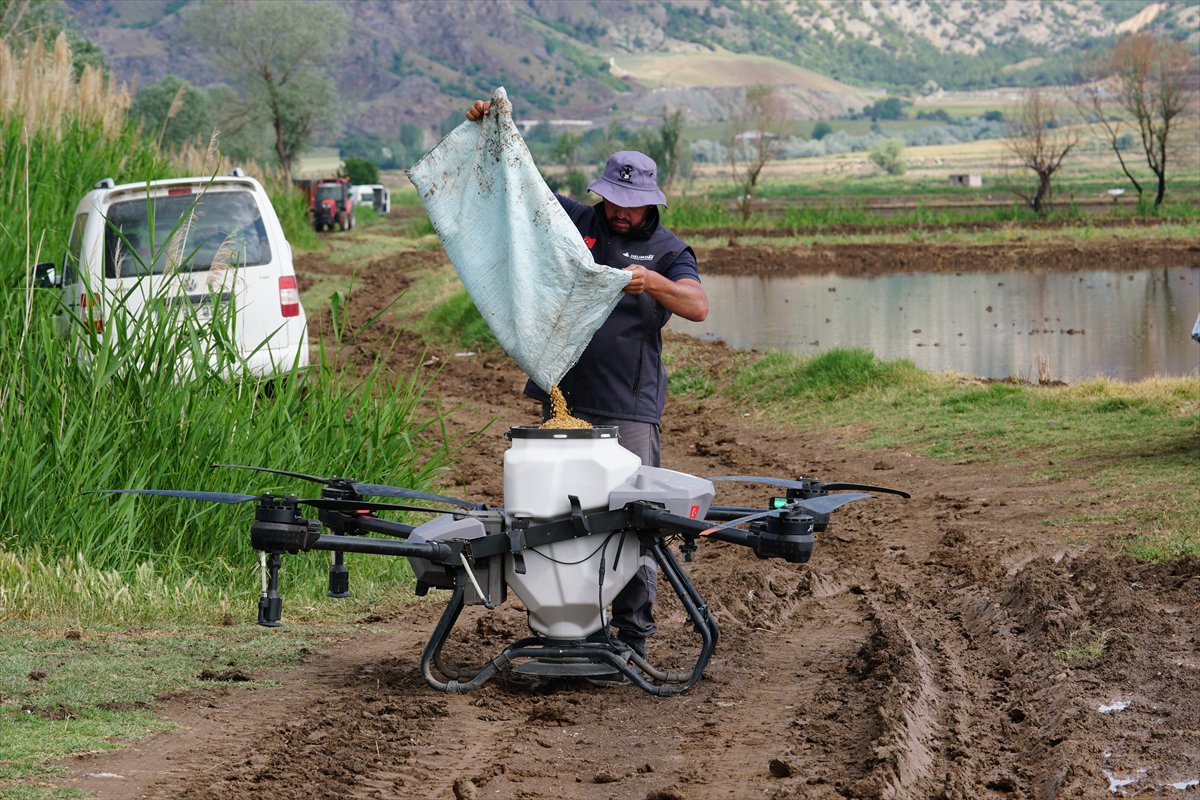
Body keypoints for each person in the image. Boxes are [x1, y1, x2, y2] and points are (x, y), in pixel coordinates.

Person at [466, 100, 709, 659]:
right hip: (564, 399)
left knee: (633, 520)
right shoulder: (578, 222)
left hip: (629, 405)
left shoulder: (670, 252)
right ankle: (570, 620)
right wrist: (493, 129)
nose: (619, 213)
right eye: (612, 202)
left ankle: (634, 634)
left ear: (651, 202)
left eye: (631, 206)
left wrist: (651, 283)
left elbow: (697, 306)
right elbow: (522, 186)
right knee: (557, 515)